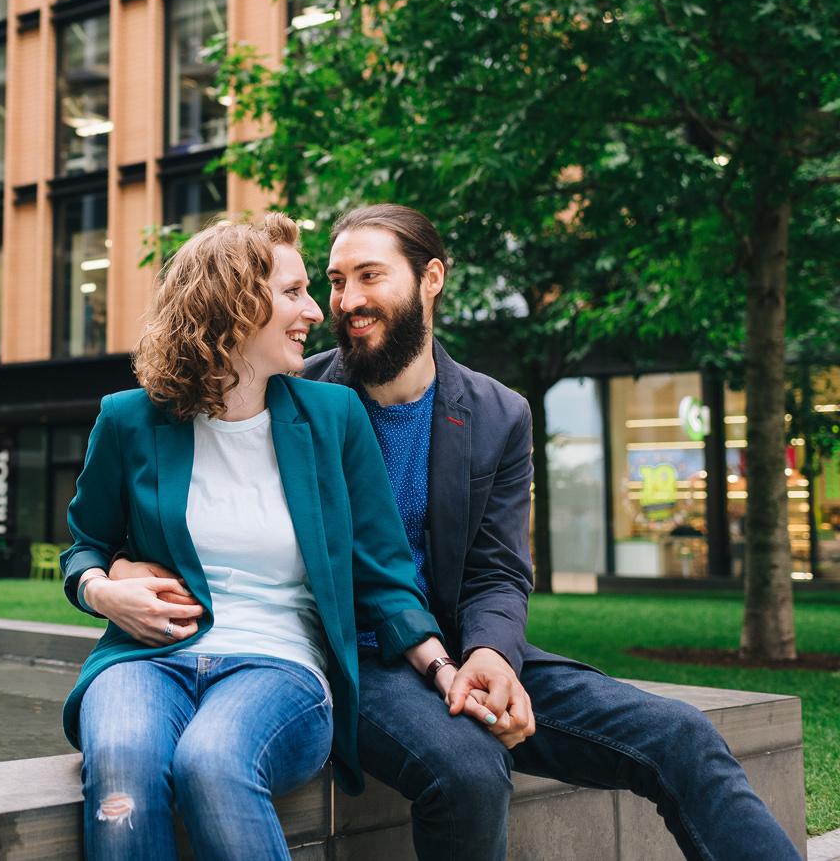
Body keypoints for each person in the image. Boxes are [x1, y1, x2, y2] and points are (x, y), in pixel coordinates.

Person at [111, 204, 799, 861]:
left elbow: (499, 570)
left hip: (465, 647)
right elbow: (192, 494)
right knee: (468, 773)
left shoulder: (499, 414)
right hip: (358, 657)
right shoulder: (289, 393)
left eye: (370, 276)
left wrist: (493, 655)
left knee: (681, 735)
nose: (345, 301)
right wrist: (113, 569)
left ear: (430, 279)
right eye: (335, 281)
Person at [61, 214, 496, 861]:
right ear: (233, 303)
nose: (317, 311)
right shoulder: (129, 420)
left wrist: (440, 665)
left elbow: (382, 572)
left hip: (278, 666)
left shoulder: (333, 417)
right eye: (293, 292)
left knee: (213, 759)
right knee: (123, 764)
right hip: (144, 663)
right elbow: (84, 545)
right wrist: (102, 592)